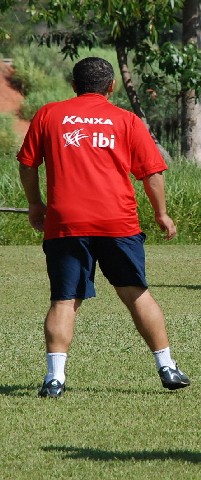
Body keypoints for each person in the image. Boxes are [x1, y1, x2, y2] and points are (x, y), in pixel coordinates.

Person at [17, 57, 190, 398]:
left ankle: (55, 379)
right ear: (111, 87)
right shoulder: (126, 119)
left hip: (66, 222)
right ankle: (167, 368)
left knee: (64, 300)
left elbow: (26, 163)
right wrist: (161, 213)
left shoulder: (49, 115)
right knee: (136, 294)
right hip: (118, 222)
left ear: (73, 85)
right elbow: (151, 173)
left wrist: (35, 204)